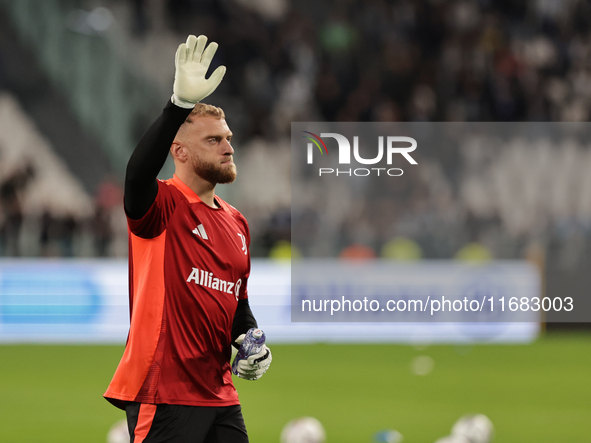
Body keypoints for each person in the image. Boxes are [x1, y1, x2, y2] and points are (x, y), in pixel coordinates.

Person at [104, 34, 272, 443]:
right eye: (214, 141)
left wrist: (251, 341)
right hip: (163, 391)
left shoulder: (237, 223)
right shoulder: (161, 206)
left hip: (220, 393)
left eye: (228, 138)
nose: (228, 147)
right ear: (178, 151)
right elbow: (136, 175)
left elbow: (237, 303)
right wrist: (177, 105)